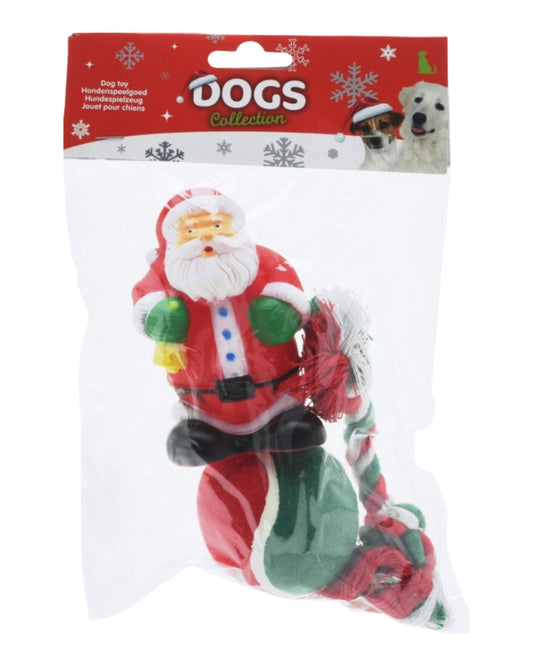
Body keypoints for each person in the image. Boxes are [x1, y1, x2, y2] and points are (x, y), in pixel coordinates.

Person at [132, 187, 325, 465]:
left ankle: (281, 425)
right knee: (195, 443)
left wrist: (283, 311)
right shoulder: (167, 275)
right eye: (191, 231)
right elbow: (145, 299)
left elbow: (287, 286)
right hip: (205, 408)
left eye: (217, 226)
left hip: (275, 399)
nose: (207, 237)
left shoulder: (260, 261)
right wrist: (159, 317)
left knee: (297, 430)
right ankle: (208, 436)